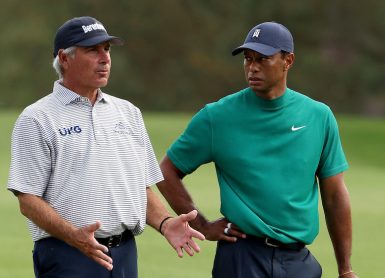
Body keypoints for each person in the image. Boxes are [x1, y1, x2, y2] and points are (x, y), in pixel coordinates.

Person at [7, 16, 204, 278]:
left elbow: (139, 188)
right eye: (92, 50)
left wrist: (165, 223)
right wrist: (74, 237)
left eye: (107, 50)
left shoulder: (128, 113)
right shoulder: (37, 118)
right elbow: (28, 200)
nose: (105, 58)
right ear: (64, 59)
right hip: (66, 253)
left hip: (124, 253)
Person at [157, 21, 358, 278]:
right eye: (248, 59)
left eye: (263, 59)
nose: (252, 67)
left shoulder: (319, 116)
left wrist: (346, 269)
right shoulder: (217, 117)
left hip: (297, 262)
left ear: (288, 61)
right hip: (241, 257)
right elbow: (165, 171)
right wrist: (202, 226)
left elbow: (334, 196)